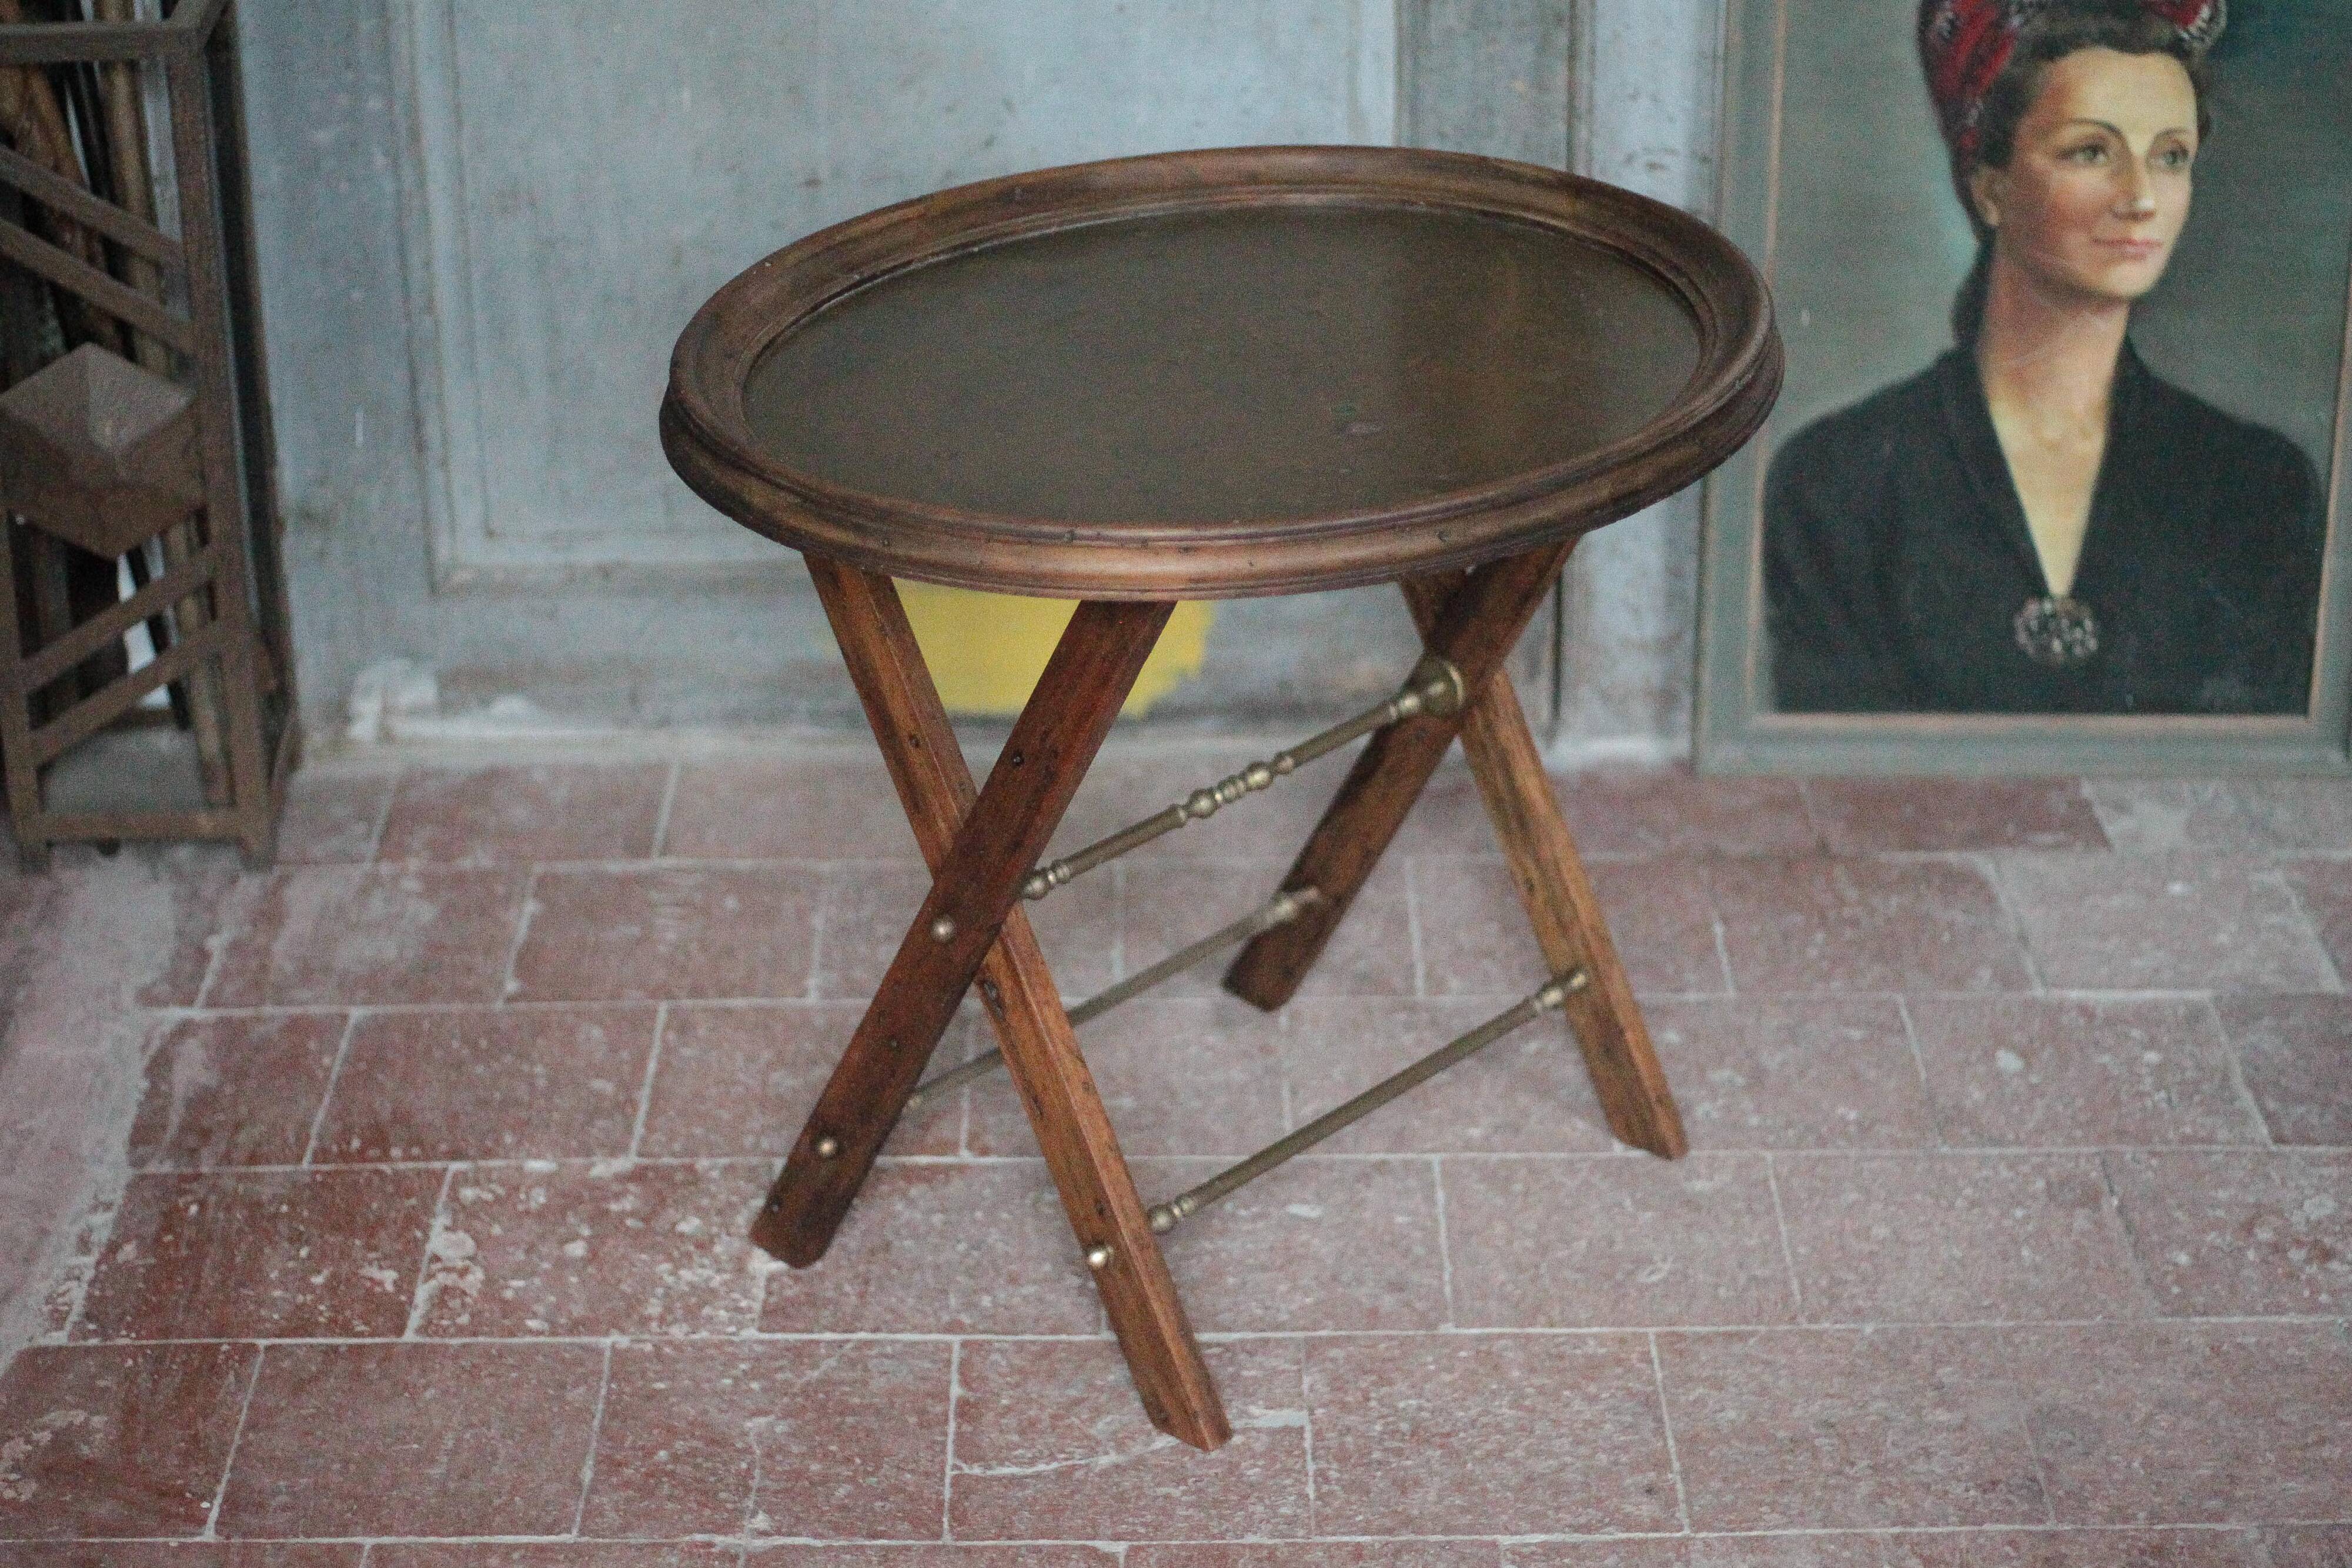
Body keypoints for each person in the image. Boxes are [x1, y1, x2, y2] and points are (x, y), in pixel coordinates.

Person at [1765, 0, 2324, 714]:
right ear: (1990, 185)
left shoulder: (2258, 487)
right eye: (2091, 151)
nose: (2141, 199)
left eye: (2171, 156)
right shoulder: (1840, 480)